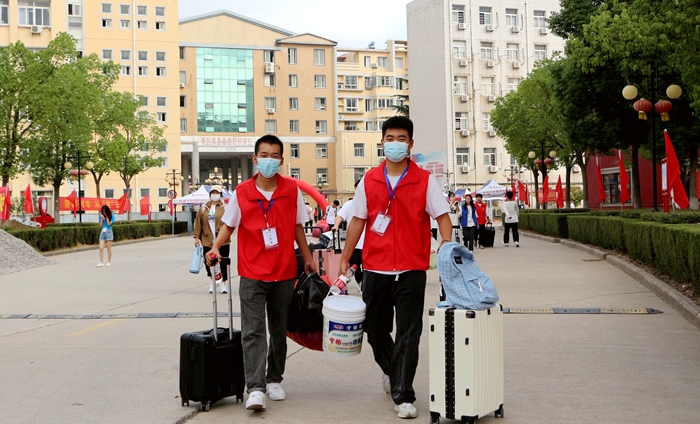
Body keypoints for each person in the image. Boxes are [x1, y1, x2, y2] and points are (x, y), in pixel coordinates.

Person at [340, 116, 452, 419]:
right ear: (382, 143)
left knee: (408, 333)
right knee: (375, 330)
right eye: (390, 138)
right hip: (375, 268)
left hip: (411, 269)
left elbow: (442, 216)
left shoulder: (425, 180)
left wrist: (446, 243)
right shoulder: (369, 180)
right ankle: (393, 370)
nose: (395, 144)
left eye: (401, 138)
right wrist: (346, 257)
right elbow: (358, 221)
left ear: (411, 144)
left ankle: (403, 393)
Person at [208, 135, 316, 412]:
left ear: (281, 159)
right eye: (264, 155)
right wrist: (215, 246)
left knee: (279, 329)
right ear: (255, 159)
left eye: (275, 155)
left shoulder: (292, 190)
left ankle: (274, 378)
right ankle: (255, 388)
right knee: (254, 331)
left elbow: (297, 228)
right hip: (252, 272)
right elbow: (229, 226)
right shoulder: (242, 192)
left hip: (283, 271)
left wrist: (307, 258)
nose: (269, 160)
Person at [193, 185, 230, 294]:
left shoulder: (224, 207)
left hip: (222, 240)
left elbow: (229, 224)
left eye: (217, 192)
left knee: (223, 261)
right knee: (208, 261)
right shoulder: (204, 208)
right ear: (210, 194)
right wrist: (196, 237)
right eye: (213, 192)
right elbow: (198, 223)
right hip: (207, 239)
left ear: (220, 194)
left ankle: (223, 283)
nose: (215, 194)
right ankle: (213, 282)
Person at [332, 179, 365, 289]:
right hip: (354, 243)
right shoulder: (349, 204)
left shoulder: (372, 202)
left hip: (369, 243)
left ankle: (366, 285)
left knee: (369, 267)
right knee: (354, 266)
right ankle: (360, 283)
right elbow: (340, 215)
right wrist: (336, 225)